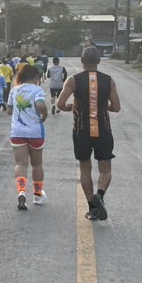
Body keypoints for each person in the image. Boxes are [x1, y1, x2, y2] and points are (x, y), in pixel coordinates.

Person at [57, 45, 121, 221]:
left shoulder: (73, 80)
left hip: (81, 131)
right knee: (105, 170)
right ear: (99, 61)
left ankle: (92, 208)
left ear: (82, 61)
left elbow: (60, 104)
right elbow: (116, 107)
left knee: (85, 168)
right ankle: (100, 195)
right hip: (103, 130)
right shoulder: (109, 81)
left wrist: (71, 107)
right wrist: (104, 107)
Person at [7, 64, 48, 210]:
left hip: (17, 132)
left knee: (20, 164)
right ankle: (37, 194)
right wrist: (44, 115)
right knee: (37, 164)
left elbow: (9, 110)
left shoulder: (14, 90)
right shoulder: (37, 90)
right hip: (35, 132)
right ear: (36, 77)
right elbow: (40, 104)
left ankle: (22, 191)